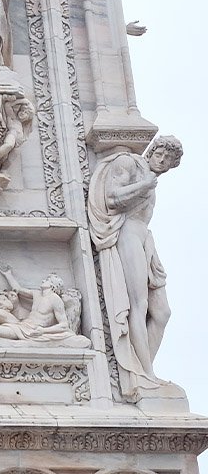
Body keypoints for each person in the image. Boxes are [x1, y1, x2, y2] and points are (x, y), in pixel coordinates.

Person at [87, 136, 183, 398]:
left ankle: (141, 369)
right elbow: (112, 198)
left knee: (162, 312)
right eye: (159, 154)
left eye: (168, 159)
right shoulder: (128, 163)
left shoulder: (151, 179)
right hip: (127, 233)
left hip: (145, 238)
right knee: (138, 305)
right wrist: (143, 185)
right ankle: (145, 376)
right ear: (151, 151)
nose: (162, 160)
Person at [0, 263, 77, 342]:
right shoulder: (37, 294)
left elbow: (64, 325)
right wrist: (8, 275)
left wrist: (44, 331)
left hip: (32, 331)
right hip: (23, 325)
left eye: (47, 280)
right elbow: (18, 289)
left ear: (53, 285)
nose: (43, 280)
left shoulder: (55, 299)